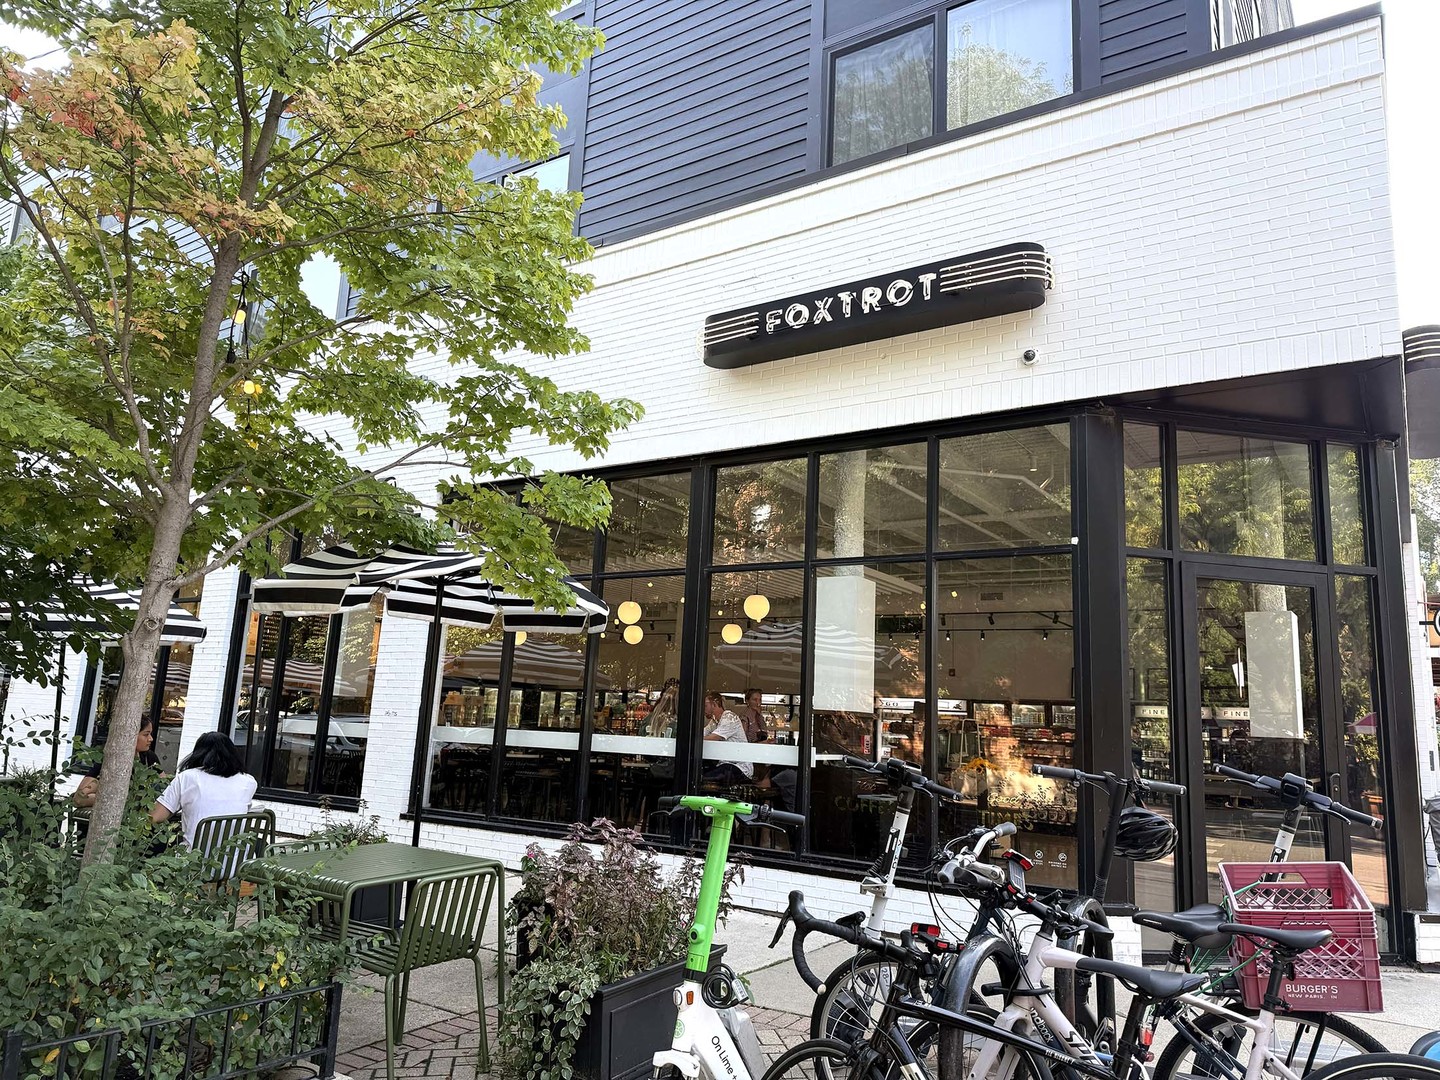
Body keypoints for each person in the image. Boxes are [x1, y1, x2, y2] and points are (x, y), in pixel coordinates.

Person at [149, 732, 258, 849]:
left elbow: (155, 817)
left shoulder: (187, 777)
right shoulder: (249, 782)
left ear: (198, 754)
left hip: (193, 862)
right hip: (235, 863)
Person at [72, 715, 161, 808]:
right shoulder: (110, 759)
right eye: (146, 734)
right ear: (131, 736)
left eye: (150, 734)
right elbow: (79, 799)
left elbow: (164, 787)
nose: (151, 739)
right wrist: (113, 798)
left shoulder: (150, 758)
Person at [701, 691, 753, 786]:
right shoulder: (714, 722)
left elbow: (714, 737)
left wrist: (694, 740)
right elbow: (702, 734)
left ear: (714, 704)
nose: (703, 709)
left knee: (704, 780)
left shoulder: (730, 718)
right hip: (725, 765)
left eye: (705, 705)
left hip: (739, 767)